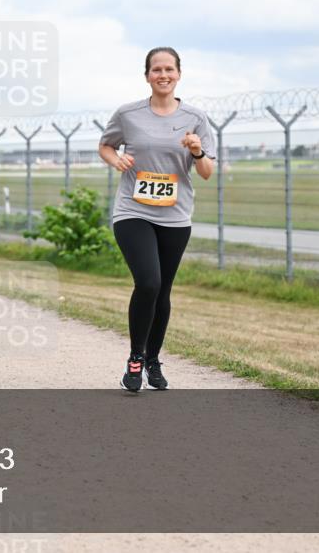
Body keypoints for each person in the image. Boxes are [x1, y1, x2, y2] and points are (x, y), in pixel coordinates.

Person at [98, 46, 215, 392]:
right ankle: (135, 358)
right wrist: (114, 160)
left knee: (163, 290)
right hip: (133, 211)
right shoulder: (128, 114)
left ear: (179, 74)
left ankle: (153, 360)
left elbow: (207, 171)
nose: (163, 75)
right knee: (148, 282)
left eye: (169, 69)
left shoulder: (195, 117)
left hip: (176, 216)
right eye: (156, 70)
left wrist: (196, 150)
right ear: (147, 75)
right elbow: (106, 145)